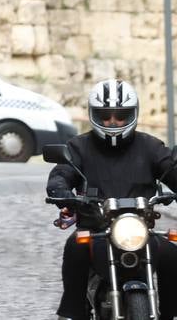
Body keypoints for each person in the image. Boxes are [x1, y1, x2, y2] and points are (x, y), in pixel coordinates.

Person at [48, 78, 177, 320]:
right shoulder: (79, 147)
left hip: (140, 233)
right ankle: (73, 313)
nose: (113, 122)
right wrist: (59, 190)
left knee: (172, 255)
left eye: (121, 115)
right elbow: (62, 173)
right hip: (95, 230)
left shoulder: (150, 146)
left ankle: (171, 314)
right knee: (75, 247)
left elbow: (170, 169)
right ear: (94, 114)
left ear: (133, 114)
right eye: (106, 115)